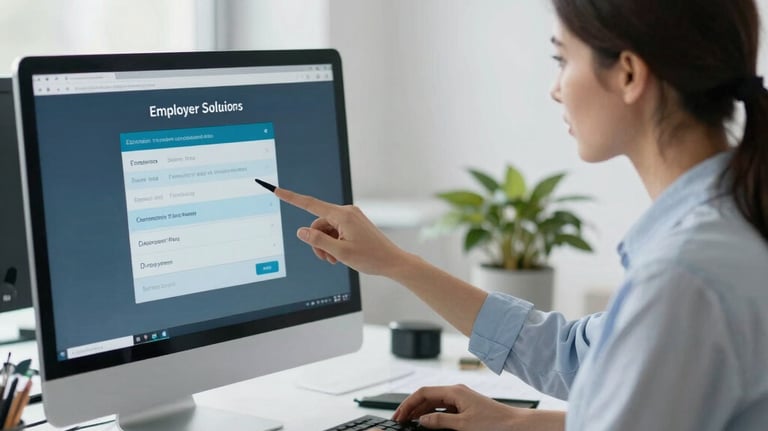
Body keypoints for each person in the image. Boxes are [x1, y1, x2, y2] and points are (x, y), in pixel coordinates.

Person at [272, 0, 768, 429]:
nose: (555, 89)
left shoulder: (685, 276)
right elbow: (581, 356)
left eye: (561, 59)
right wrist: (524, 424)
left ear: (629, 74)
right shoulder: (728, 223)